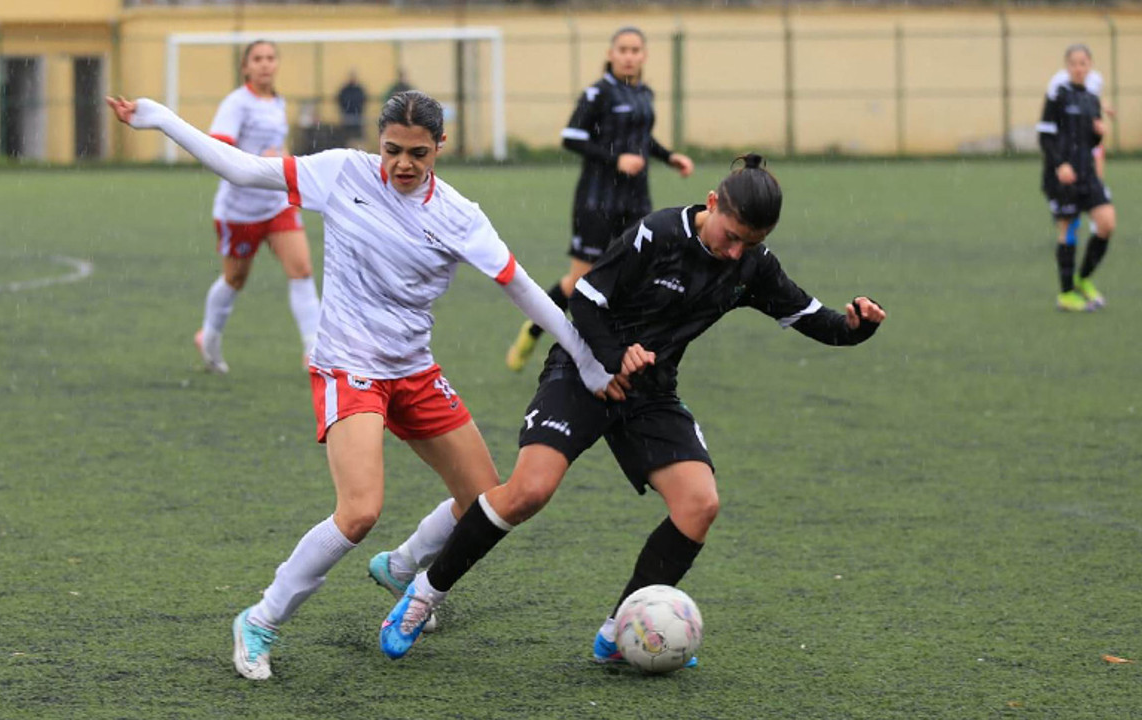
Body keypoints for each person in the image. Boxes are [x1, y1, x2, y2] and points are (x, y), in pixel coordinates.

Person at [105, 90, 619, 681]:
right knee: (359, 512)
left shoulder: (459, 215)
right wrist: (162, 119)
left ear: (440, 148)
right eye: (392, 150)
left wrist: (586, 360)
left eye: (418, 154)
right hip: (348, 367)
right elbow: (243, 167)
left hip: (414, 369)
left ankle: (403, 569)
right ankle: (260, 619)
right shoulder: (341, 172)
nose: (403, 163)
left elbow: (523, 287)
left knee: (484, 501)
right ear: (378, 141)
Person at [378, 154, 888, 664]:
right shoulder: (658, 234)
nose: (735, 252)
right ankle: (423, 594)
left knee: (699, 504)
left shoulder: (753, 266)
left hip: (650, 392)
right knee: (529, 491)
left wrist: (855, 327)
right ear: (712, 203)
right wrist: (613, 355)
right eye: (731, 235)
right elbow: (584, 299)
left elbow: (817, 319)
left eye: (748, 243)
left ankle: (623, 629)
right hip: (583, 371)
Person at [505, 26, 694, 372]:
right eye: (622, 49)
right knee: (579, 282)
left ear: (644, 55)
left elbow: (642, 139)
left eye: (635, 50)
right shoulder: (597, 94)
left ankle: (620, 349)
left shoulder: (645, 94)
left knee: (635, 275)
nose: (629, 56)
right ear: (610, 54)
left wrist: (670, 157)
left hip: (636, 201)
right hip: (597, 201)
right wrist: (615, 158)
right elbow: (571, 138)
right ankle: (535, 330)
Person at [197, 40, 320, 373]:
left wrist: (279, 161)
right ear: (245, 67)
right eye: (257, 59)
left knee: (302, 270)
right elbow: (218, 149)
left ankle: (315, 349)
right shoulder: (236, 104)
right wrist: (257, 161)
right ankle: (209, 336)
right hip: (240, 210)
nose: (265, 64)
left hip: (277, 203)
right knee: (235, 279)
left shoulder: (277, 101)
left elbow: (272, 148)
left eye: (270, 58)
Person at [1039, 43, 1116, 312]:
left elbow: (1092, 139)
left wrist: (1098, 131)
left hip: (1087, 172)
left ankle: (1083, 279)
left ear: (1089, 66)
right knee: (1068, 227)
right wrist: (1060, 165)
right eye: (1074, 63)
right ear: (1067, 66)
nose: (1079, 68)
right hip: (1063, 175)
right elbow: (1045, 134)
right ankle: (1066, 294)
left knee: (1106, 223)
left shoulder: (1092, 98)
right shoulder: (1058, 95)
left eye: (1083, 63)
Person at [336, 70, 368, 146]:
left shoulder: (359, 90)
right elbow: (340, 100)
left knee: (358, 138)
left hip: (358, 117)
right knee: (346, 138)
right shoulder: (345, 90)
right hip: (347, 117)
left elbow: (363, 100)